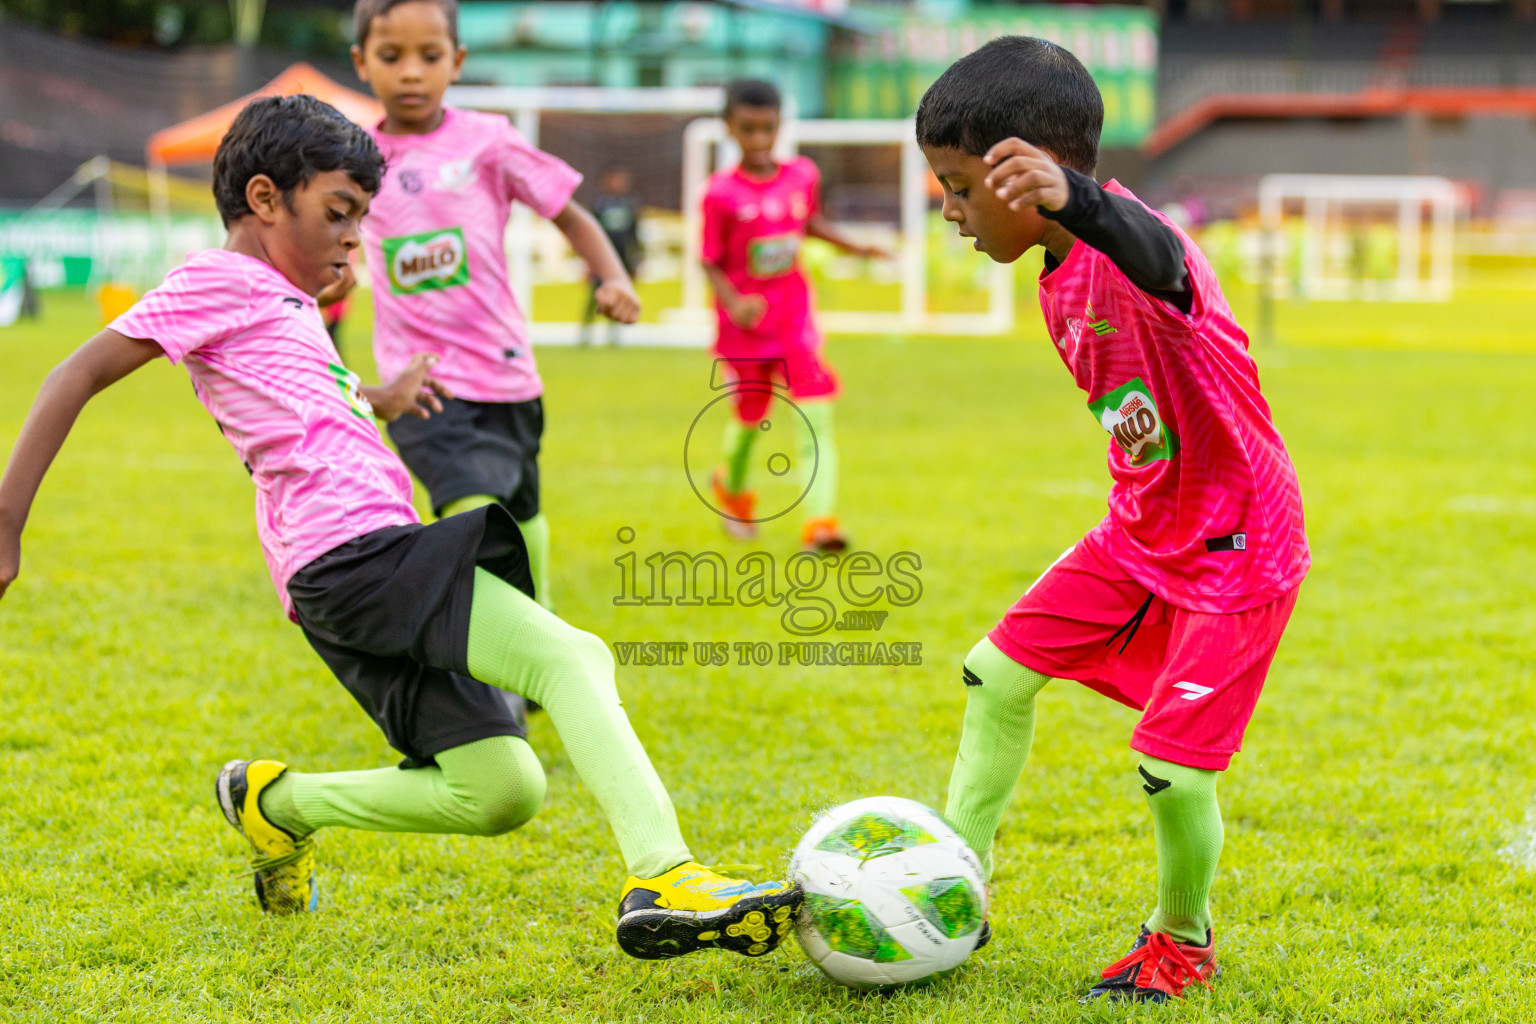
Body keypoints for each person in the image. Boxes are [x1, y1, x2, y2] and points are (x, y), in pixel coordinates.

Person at [0, 94, 800, 961]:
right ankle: (666, 876)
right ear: (265, 200)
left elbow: (298, 410)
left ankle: (279, 804)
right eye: (339, 215)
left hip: (344, 573)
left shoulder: (283, 301)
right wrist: (8, 524)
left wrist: (375, 398)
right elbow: (72, 375)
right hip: (355, 556)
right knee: (574, 657)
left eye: (362, 221)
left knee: (500, 789)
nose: (354, 240)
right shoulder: (215, 279)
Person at [915, 37, 1308, 1002]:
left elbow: (1162, 258)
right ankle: (956, 880)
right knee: (995, 674)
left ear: (1031, 175)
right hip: (1139, 531)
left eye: (962, 186)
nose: (951, 210)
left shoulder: (1130, 246)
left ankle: (1182, 941)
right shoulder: (1053, 271)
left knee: (1172, 771)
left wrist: (1079, 200)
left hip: (1238, 541)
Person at [351, 0, 641, 611]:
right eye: (391, 56)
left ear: (456, 62)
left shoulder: (488, 141)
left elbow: (568, 212)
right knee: (473, 515)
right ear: (361, 63)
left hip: (506, 375)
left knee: (523, 516)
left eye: (429, 57)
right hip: (422, 384)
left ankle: (542, 644)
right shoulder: (356, 162)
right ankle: (497, 672)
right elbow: (331, 236)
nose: (410, 73)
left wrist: (612, 277)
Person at [700, 79, 889, 553]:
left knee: (816, 419)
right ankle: (732, 489)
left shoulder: (801, 175)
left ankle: (820, 522)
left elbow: (811, 222)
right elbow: (709, 259)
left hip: (794, 325)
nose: (760, 140)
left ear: (780, 125)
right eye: (748, 129)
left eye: (768, 129)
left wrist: (856, 245)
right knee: (749, 421)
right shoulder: (719, 194)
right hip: (744, 332)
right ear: (730, 129)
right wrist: (734, 302)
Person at [581, 165, 643, 347]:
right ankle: (586, 332)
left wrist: (637, 261)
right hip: (599, 259)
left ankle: (614, 334)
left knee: (619, 297)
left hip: (622, 259)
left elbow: (635, 234)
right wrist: (586, 262)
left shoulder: (630, 203)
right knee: (594, 298)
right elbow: (587, 233)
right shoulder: (599, 203)